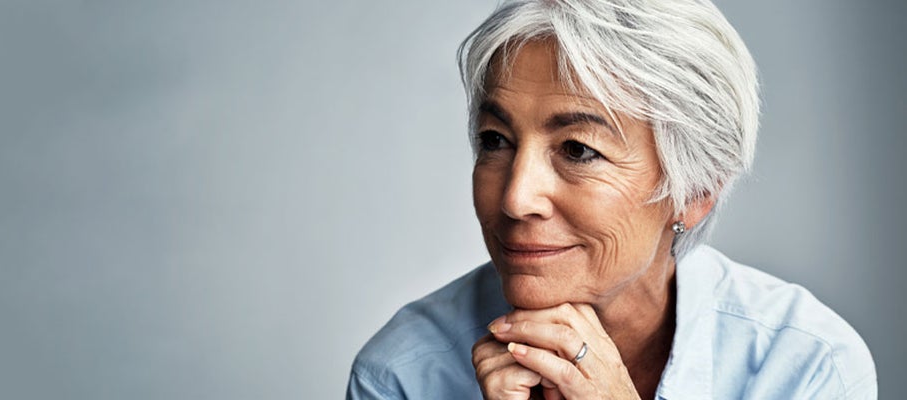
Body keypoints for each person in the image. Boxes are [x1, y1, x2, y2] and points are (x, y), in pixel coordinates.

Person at [346, 0, 877, 399]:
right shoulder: (404, 373)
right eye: (495, 141)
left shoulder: (807, 363)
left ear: (694, 191)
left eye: (578, 149)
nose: (515, 198)